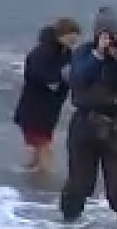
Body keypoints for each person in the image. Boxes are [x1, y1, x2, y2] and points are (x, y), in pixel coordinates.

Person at [59, 7, 117, 225]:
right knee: (79, 183)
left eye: (114, 35)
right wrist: (97, 55)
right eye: (105, 35)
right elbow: (77, 78)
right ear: (97, 35)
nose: (110, 41)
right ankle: (68, 224)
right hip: (85, 124)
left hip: (116, 126)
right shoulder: (83, 53)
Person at [13, 17, 82, 174]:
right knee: (43, 146)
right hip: (34, 107)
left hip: (50, 108)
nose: (74, 39)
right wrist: (58, 78)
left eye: (76, 36)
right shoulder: (41, 52)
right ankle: (45, 183)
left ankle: (31, 181)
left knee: (37, 146)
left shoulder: (67, 53)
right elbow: (35, 74)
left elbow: (72, 76)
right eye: (71, 35)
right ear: (61, 35)